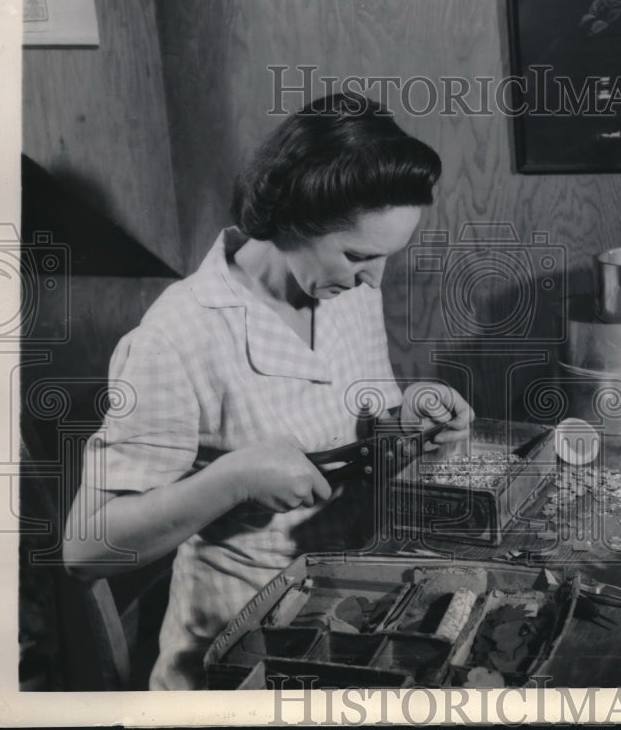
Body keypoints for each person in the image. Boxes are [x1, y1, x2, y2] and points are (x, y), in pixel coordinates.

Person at [63, 93, 473, 689]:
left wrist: (409, 418)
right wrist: (234, 478)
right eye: (358, 255)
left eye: (385, 258)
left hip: (357, 609)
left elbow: (362, 423)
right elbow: (84, 552)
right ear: (290, 220)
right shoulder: (178, 337)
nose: (374, 279)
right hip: (244, 648)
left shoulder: (347, 288)